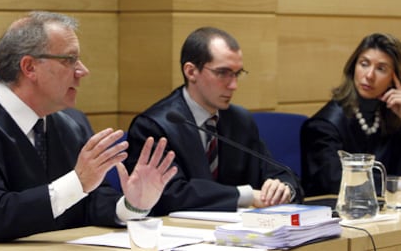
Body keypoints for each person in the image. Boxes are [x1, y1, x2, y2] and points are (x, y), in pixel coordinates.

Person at [0, 11, 177, 242]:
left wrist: (132, 205)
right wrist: (77, 182)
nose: (82, 71)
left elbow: (90, 201)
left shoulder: (72, 123)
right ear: (29, 67)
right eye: (69, 60)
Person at [125, 27, 303, 216]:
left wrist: (284, 188)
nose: (234, 85)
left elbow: (280, 173)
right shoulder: (155, 125)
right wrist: (246, 196)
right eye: (223, 73)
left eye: (237, 74)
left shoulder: (240, 120)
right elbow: (169, 194)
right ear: (191, 71)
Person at [301, 33, 401, 197]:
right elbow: (335, 182)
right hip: (335, 216)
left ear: (393, 79)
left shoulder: (391, 116)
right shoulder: (324, 125)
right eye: (364, 64)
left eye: (381, 69)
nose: (369, 75)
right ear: (353, 67)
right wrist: (395, 185)